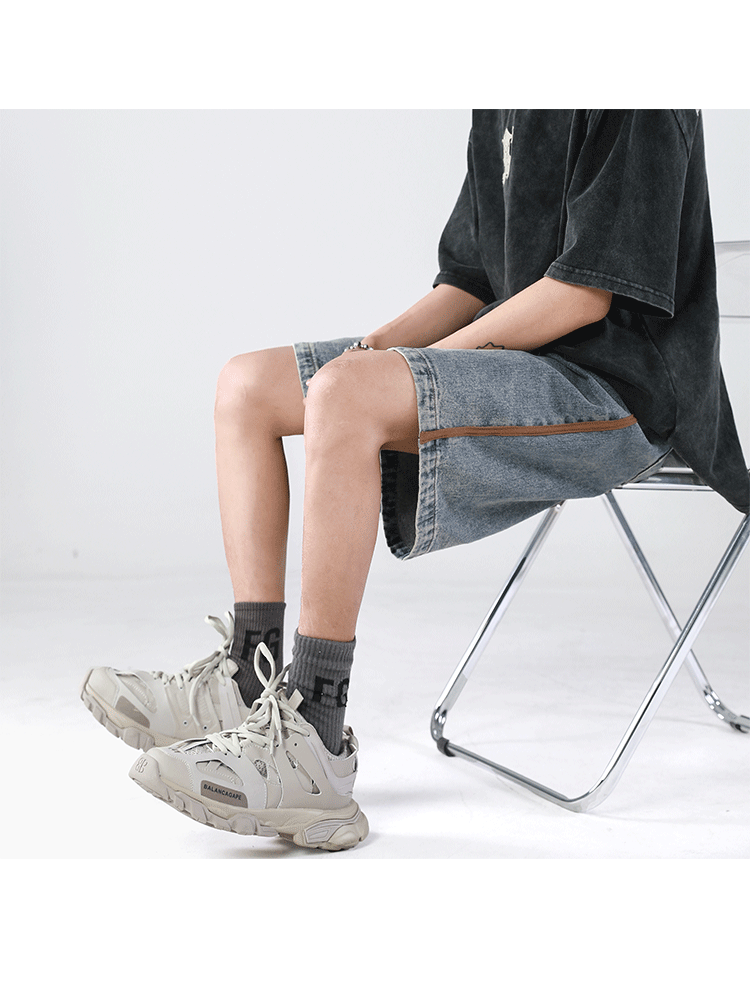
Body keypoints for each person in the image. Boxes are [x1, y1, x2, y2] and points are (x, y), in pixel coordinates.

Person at [81, 110, 750, 851]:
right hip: (523, 359)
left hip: (623, 391)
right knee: (247, 387)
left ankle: (314, 744)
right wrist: (377, 349)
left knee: (346, 398)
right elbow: (470, 281)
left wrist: (410, 370)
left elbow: (581, 294)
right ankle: (250, 674)